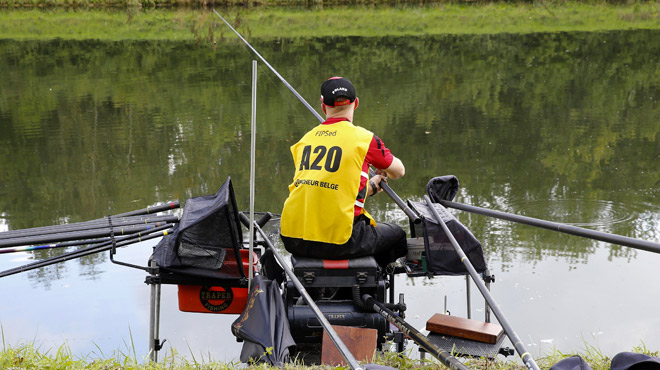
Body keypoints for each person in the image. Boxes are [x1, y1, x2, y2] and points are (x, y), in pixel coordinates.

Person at [280, 76, 407, 268]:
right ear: (356, 103)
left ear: (323, 106)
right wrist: (383, 170)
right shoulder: (364, 139)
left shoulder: (304, 141)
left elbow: (325, 188)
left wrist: (370, 187)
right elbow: (398, 171)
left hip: (293, 239)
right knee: (397, 235)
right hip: (339, 241)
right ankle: (367, 288)